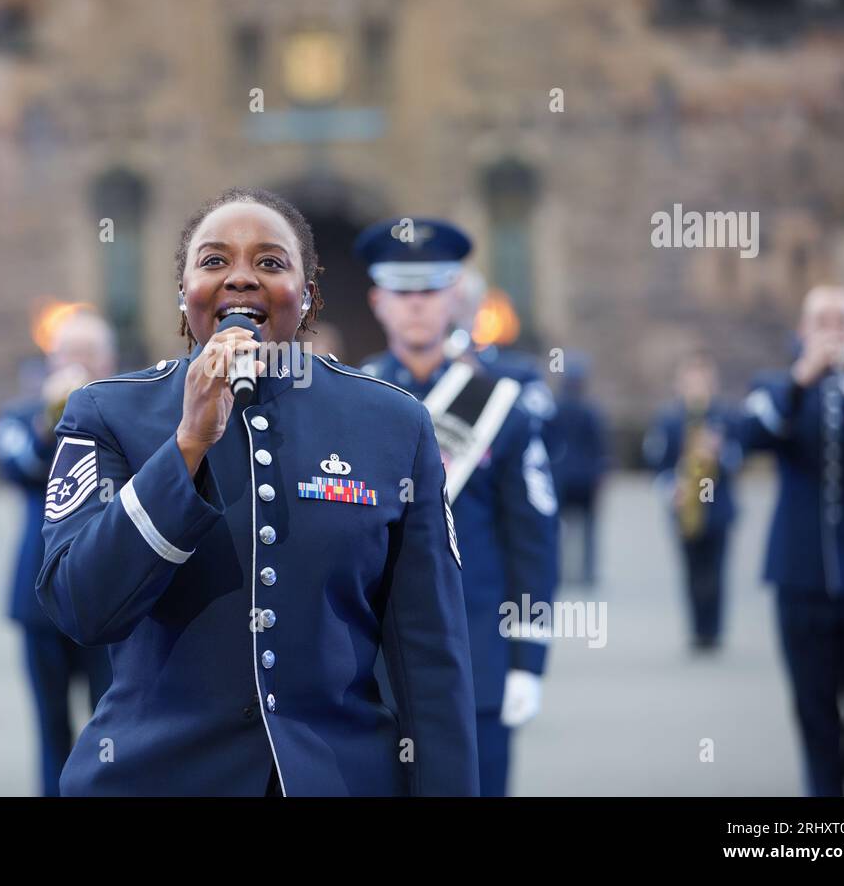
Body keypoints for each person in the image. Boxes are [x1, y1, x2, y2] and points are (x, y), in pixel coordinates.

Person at [37, 187, 480, 796]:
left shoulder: (392, 422)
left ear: (307, 293)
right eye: (214, 261)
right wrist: (187, 445)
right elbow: (82, 606)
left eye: (271, 262)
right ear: (184, 290)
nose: (241, 278)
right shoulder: (108, 413)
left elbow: (430, 653)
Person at [356, 217, 559, 797]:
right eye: (402, 291)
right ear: (378, 301)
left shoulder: (502, 406)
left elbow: (532, 541)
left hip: (478, 655)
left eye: (430, 289)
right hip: (370, 665)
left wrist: (528, 657)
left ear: (455, 297)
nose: (416, 304)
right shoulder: (352, 398)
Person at [740, 285, 844, 796]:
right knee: (814, 706)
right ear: (802, 331)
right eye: (822, 322)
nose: (832, 332)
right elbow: (749, 436)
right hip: (802, 578)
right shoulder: (776, 389)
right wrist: (800, 378)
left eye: (842, 322)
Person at [0, 317, 114, 797]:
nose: (78, 363)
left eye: (89, 353)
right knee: (50, 725)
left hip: (109, 595)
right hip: (38, 597)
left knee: (111, 721)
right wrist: (50, 419)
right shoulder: (21, 416)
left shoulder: (123, 411)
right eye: (70, 353)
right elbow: (19, 467)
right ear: (52, 360)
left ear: (107, 360)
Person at [643, 350, 742, 651]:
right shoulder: (670, 419)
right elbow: (657, 461)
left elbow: (739, 457)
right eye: (691, 380)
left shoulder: (725, 417)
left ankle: (714, 630)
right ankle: (697, 629)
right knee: (691, 571)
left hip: (718, 507)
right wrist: (672, 488)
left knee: (716, 570)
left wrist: (719, 452)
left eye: (702, 380)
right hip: (685, 506)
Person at [551, 356, 608, 588]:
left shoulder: (555, 408)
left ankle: (558, 570)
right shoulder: (591, 411)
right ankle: (587, 572)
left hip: (562, 476)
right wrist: (600, 476)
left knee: (557, 528)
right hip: (586, 478)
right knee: (588, 528)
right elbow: (600, 448)